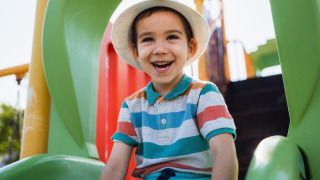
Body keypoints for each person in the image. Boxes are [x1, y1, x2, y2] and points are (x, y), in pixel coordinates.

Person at [100, 0, 238, 179]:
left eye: (171, 37)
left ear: (190, 48)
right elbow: (115, 167)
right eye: (148, 39)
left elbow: (223, 151)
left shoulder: (203, 95)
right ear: (136, 51)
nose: (160, 49)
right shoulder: (132, 106)